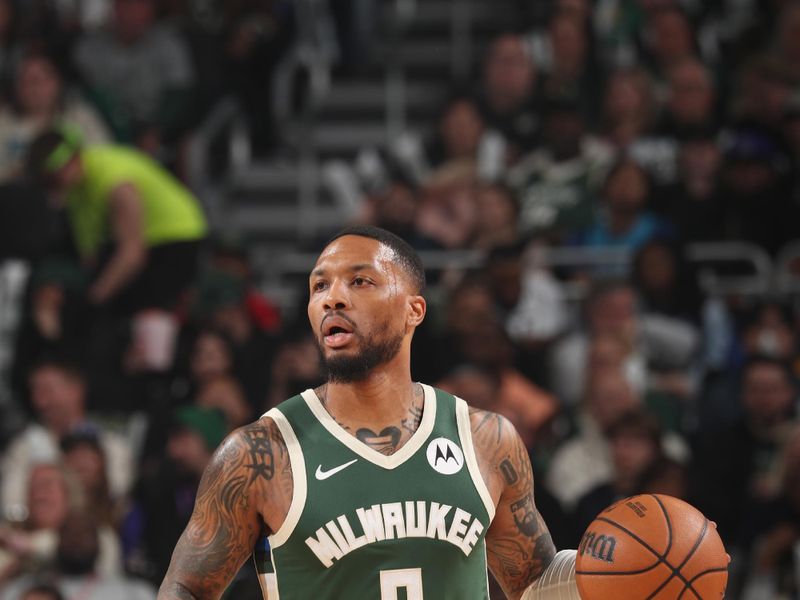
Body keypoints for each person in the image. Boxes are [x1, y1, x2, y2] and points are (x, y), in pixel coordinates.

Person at [158, 226, 580, 599]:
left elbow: (536, 584)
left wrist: (612, 565)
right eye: (319, 287)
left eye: (360, 281)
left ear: (414, 310)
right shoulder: (260, 454)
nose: (332, 299)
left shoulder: (486, 439)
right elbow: (187, 588)